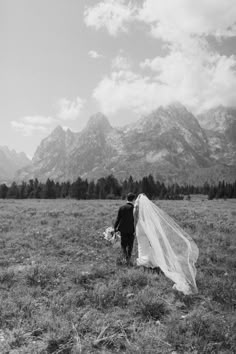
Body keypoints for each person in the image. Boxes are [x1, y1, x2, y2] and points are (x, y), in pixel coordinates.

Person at [134, 194, 199, 295]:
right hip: (146, 236)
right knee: (148, 249)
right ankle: (151, 264)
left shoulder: (138, 215)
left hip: (142, 237)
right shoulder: (146, 215)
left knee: (143, 249)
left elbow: (137, 224)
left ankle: (147, 265)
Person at [114, 192, 136, 265]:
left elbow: (118, 219)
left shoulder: (122, 207)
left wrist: (114, 228)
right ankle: (128, 258)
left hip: (123, 229)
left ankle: (125, 256)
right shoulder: (134, 209)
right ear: (133, 199)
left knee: (123, 245)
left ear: (127, 198)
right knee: (130, 245)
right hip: (131, 230)